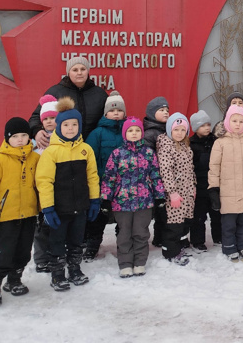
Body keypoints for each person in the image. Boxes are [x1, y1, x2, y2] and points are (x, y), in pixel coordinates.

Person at [35, 97, 100, 291]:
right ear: (58, 126)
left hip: (80, 207)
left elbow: (93, 176)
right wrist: (47, 208)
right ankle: (57, 275)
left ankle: (75, 269)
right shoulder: (51, 152)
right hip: (59, 209)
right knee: (56, 242)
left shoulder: (86, 150)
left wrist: (94, 201)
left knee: (76, 241)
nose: (70, 128)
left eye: (74, 124)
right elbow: (44, 181)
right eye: (66, 124)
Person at [0, 117, 40, 306]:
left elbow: (40, 186)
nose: (20, 139)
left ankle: (14, 280)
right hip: (6, 217)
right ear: (7, 139)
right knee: (6, 253)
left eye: (24, 135)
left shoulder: (36, 158)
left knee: (23, 253)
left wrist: (43, 210)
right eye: (15, 136)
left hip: (29, 215)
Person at [100, 116, 165, 278]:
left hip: (144, 202)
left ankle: (139, 262)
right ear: (125, 133)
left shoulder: (149, 153)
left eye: (137, 130)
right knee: (124, 234)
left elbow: (156, 176)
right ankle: (125, 264)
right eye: (130, 130)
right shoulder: (117, 154)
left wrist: (159, 196)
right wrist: (106, 198)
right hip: (122, 202)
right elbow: (109, 177)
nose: (134, 133)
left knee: (141, 233)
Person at [209, 104, 243, 262]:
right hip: (227, 192)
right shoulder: (220, 143)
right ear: (227, 121)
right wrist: (213, 189)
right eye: (234, 120)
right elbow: (214, 167)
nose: (238, 124)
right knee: (228, 224)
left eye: (241, 121)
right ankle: (230, 248)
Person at [83, 90, 126, 261]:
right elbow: (89, 157)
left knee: (123, 220)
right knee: (98, 219)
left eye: (119, 110)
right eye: (112, 110)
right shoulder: (97, 133)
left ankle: (123, 246)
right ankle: (92, 246)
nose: (116, 113)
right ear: (106, 113)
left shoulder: (129, 130)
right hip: (104, 184)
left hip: (125, 185)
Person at [29, 56, 108, 148]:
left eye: (83, 69)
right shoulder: (56, 92)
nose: (79, 73)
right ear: (68, 72)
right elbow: (35, 117)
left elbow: (109, 118)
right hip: (63, 148)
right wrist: (37, 131)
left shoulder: (100, 94)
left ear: (88, 71)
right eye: (75, 70)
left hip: (94, 147)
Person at [156, 113, 196, 266]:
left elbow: (190, 169)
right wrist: (172, 192)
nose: (179, 133)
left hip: (186, 192)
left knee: (183, 223)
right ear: (169, 130)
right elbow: (165, 171)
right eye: (176, 129)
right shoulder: (166, 147)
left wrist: (193, 187)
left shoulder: (185, 146)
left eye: (182, 130)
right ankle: (170, 253)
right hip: (175, 194)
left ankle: (178, 248)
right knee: (174, 225)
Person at [189, 110, 221, 251]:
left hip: (214, 184)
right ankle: (197, 241)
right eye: (203, 125)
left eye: (208, 124)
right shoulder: (191, 144)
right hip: (200, 185)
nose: (207, 128)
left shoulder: (215, 141)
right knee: (199, 216)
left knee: (217, 213)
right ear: (196, 128)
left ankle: (219, 238)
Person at [32, 94, 57, 274]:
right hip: (40, 190)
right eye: (46, 119)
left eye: (53, 118)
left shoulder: (63, 137)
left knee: (55, 225)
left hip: (58, 189)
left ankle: (55, 254)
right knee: (41, 226)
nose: (49, 122)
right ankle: (41, 258)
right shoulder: (35, 141)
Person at [142, 96, 170, 247]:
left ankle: (163, 237)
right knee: (159, 211)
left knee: (166, 210)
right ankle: (158, 238)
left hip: (169, 177)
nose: (166, 112)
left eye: (167, 110)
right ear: (152, 113)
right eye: (161, 110)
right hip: (156, 178)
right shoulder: (150, 133)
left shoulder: (169, 130)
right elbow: (148, 157)